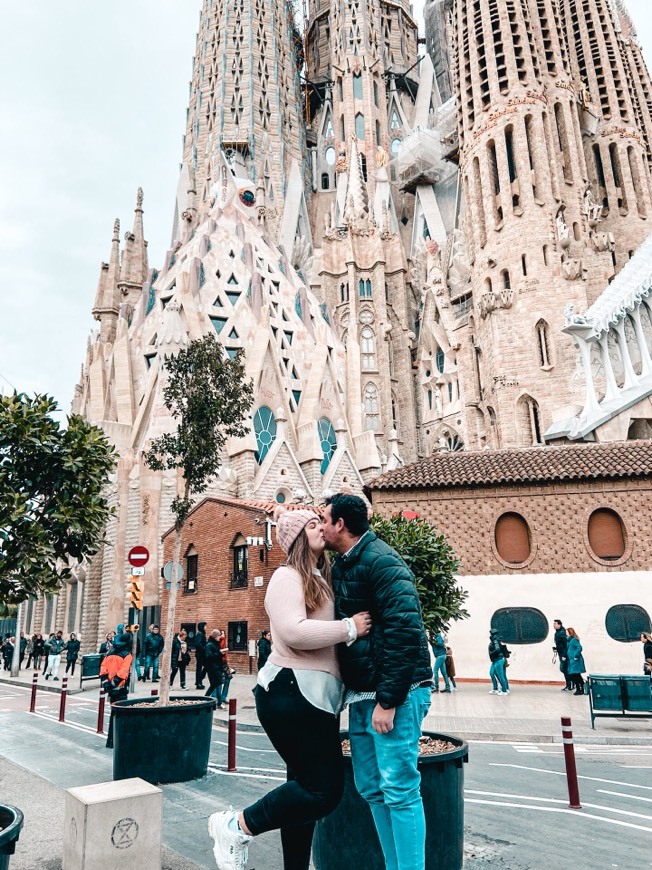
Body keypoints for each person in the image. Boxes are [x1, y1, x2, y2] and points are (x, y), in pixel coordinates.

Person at [207, 507, 371, 870]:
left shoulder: (318, 575)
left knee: (303, 789)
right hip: (290, 691)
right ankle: (236, 825)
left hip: (313, 697)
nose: (321, 528)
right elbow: (294, 631)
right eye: (312, 525)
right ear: (298, 536)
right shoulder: (286, 576)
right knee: (324, 792)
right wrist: (349, 628)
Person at [322, 493, 432, 870]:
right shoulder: (344, 564)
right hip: (362, 696)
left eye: (324, 519)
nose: (321, 526)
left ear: (340, 524)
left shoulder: (382, 561)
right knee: (371, 787)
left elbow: (406, 631)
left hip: (395, 694)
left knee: (400, 789)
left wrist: (388, 700)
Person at [100, 632, 133, 749]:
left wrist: (107, 684)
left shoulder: (109, 653)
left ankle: (110, 741)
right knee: (121, 715)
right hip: (120, 688)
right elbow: (123, 673)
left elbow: (103, 669)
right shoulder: (127, 655)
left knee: (113, 714)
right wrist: (114, 684)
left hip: (110, 688)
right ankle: (118, 741)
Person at [204, 629, 225, 701]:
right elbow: (209, 657)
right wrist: (219, 654)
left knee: (215, 684)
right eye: (219, 635)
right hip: (212, 668)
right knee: (216, 684)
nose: (220, 637)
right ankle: (217, 701)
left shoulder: (216, 644)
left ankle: (206, 698)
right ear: (216, 636)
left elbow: (216, 655)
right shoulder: (209, 645)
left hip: (217, 667)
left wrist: (221, 654)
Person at [553, 619, 572, 691]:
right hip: (561, 653)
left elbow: (566, 645)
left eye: (555, 624)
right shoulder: (557, 633)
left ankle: (570, 684)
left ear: (559, 624)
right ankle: (569, 684)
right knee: (564, 669)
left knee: (564, 669)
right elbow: (560, 644)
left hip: (564, 655)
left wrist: (564, 655)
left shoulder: (562, 633)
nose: (554, 625)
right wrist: (556, 649)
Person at [488, 628, 509, 695]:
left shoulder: (495, 641)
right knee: (491, 673)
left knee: (501, 675)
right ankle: (496, 688)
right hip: (495, 660)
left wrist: (491, 653)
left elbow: (497, 649)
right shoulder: (496, 640)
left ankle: (504, 690)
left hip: (498, 660)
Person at [566, 627, 586, 695]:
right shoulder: (569, 640)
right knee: (575, 675)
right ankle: (580, 688)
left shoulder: (574, 640)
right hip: (572, 660)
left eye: (566, 632)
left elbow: (579, 647)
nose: (565, 633)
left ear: (569, 632)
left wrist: (575, 656)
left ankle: (580, 689)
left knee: (575, 675)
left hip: (575, 660)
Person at [195, 621, 208, 689]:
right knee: (200, 668)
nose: (206, 628)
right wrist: (205, 648)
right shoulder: (200, 634)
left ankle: (199, 681)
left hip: (202, 654)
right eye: (205, 626)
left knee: (204, 667)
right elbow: (198, 644)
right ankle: (198, 682)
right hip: (200, 654)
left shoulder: (202, 634)